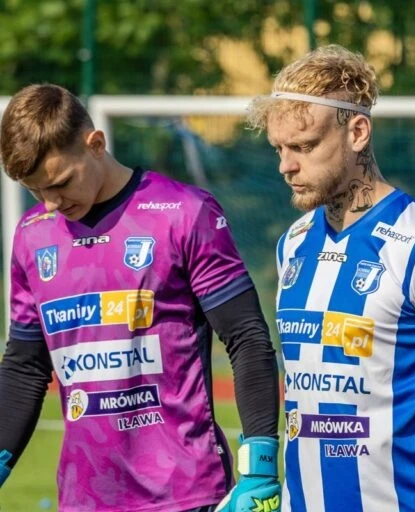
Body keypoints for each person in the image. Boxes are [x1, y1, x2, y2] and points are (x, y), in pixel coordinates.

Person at [247, 44, 415, 511]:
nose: (286, 166)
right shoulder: (294, 242)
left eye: (304, 146)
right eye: (280, 149)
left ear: (357, 132)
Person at [0, 84, 282, 512]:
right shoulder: (31, 235)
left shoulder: (185, 213)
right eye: (37, 191)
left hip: (185, 493)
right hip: (84, 499)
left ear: (96, 144)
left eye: (60, 183)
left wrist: (260, 466)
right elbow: (25, 367)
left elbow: (246, 337)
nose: (51, 204)